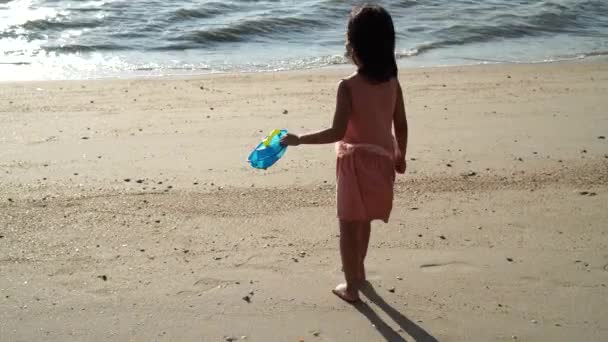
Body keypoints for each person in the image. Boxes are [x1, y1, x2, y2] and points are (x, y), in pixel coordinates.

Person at [281, 4, 408, 303]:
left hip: (354, 167)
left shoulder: (348, 86)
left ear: (353, 46)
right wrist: (401, 154)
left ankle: (351, 287)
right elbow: (400, 123)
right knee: (363, 222)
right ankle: (359, 272)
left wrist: (299, 139)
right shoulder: (393, 82)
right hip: (383, 162)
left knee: (348, 226)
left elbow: (337, 132)